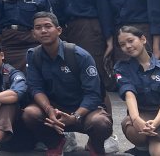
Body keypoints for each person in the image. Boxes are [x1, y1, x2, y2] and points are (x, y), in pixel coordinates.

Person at [22, 12, 113, 156]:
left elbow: (93, 95)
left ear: (59, 30)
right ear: (33, 33)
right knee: (30, 113)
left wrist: (75, 116)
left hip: (84, 110)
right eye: (38, 28)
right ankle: (55, 143)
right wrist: (48, 109)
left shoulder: (80, 55)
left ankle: (95, 145)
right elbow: (36, 88)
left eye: (48, 26)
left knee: (100, 122)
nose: (43, 31)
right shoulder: (33, 56)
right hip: (56, 109)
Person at [114, 25, 160, 156]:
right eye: (122, 44)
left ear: (143, 39)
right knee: (130, 127)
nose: (127, 46)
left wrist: (155, 124)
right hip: (142, 114)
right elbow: (129, 94)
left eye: (130, 41)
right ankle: (143, 148)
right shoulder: (121, 68)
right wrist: (136, 119)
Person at [58, 0, 113, 90]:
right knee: (76, 68)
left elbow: (103, 8)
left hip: (90, 28)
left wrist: (109, 39)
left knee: (93, 68)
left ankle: (102, 108)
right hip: (72, 28)